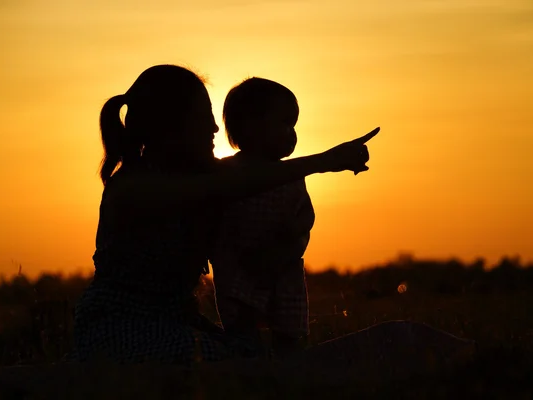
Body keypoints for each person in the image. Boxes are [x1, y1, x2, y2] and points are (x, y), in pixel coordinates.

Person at [69, 64, 378, 365]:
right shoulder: (134, 186)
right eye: (205, 118)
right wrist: (324, 161)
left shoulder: (202, 176)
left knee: (250, 357)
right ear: (173, 125)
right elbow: (236, 183)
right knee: (236, 364)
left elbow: (248, 179)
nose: (216, 128)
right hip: (120, 328)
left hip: (176, 320)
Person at [210, 78, 314, 358]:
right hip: (239, 269)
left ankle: (289, 369)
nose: (292, 134)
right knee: (243, 334)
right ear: (250, 126)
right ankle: (249, 368)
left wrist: (294, 236)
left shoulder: (292, 174)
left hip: (283, 267)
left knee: (289, 333)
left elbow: (305, 213)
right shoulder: (226, 173)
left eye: (294, 125)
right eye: (285, 123)